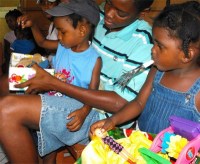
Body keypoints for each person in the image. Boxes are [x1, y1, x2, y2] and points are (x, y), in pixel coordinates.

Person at [0, 0, 154, 162]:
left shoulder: (145, 44)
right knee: (6, 82)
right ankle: (16, 143)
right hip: (72, 84)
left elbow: (120, 104)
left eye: (120, 13)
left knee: (7, 110)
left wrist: (53, 83)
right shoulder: (97, 15)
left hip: (100, 115)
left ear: (143, 13)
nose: (107, 14)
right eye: (108, 3)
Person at [0, 1, 101, 163]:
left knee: (47, 149)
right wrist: (33, 25)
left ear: (82, 30)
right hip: (52, 92)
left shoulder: (93, 60)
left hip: (72, 105)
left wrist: (84, 111)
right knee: (9, 80)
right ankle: (16, 134)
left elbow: (93, 93)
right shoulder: (63, 46)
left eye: (62, 31)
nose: (58, 36)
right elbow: (41, 43)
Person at [89, 1, 200, 136]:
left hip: (176, 155)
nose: (152, 50)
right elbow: (139, 103)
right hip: (142, 144)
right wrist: (113, 120)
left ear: (187, 55)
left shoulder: (197, 92)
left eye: (160, 46)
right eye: (154, 43)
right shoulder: (157, 71)